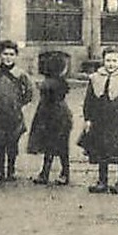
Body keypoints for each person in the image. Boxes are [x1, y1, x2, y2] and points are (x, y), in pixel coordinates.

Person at [81, 47, 118, 194]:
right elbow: (89, 100)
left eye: (114, 61)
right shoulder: (96, 78)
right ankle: (102, 181)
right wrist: (88, 118)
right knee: (101, 151)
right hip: (100, 120)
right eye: (108, 60)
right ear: (103, 60)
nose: (111, 64)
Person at [0, 39, 34, 183]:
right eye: (5, 54)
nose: (8, 57)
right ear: (0, 55)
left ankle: (11, 170)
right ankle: (0, 169)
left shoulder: (20, 74)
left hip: (14, 113)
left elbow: (30, 91)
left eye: (11, 54)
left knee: (13, 141)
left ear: (16, 56)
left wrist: (20, 103)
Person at [28, 51, 74, 185]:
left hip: (50, 117)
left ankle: (45, 173)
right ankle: (64, 173)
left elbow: (45, 103)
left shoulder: (47, 84)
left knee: (49, 148)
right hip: (62, 117)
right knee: (62, 148)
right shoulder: (61, 83)